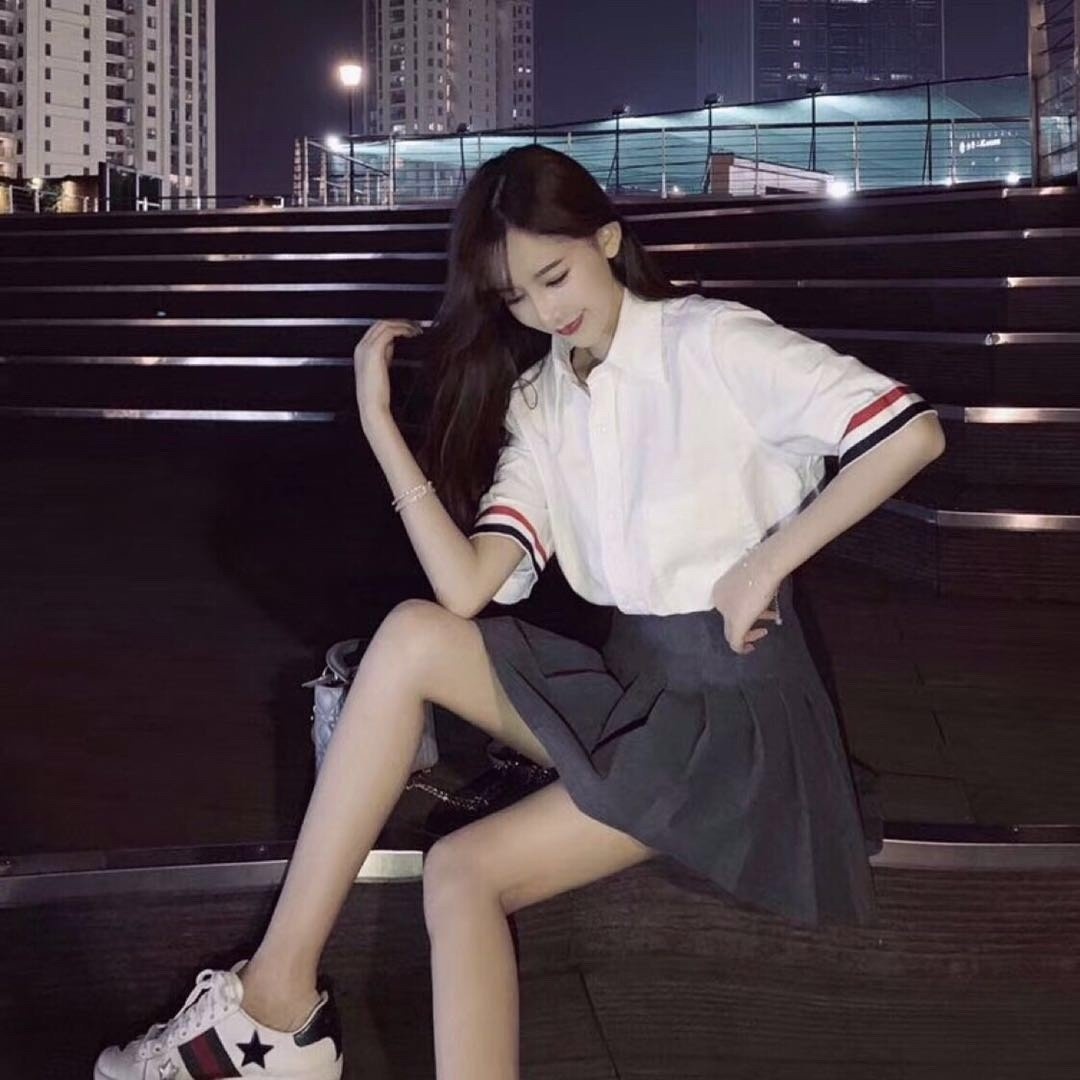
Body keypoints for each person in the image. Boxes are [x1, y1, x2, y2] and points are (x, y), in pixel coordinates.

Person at [94, 145, 945, 1080]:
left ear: (607, 239)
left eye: (556, 275)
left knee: (461, 870)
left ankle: (268, 1020)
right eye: (516, 296)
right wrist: (381, 428)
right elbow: (467, 588)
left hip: (736, 721)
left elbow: (908, 430)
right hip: (639, 695)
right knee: (414, 641)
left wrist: (767, 563)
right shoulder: (542, 401)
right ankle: (277, 1006)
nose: (545, 310)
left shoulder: (712, 341)